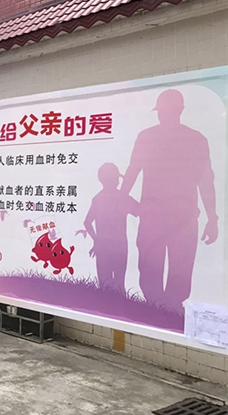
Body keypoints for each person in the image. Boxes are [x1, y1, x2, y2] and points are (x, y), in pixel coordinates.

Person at [121, 89, 218, 314]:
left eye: (165, 111)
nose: (162, 115)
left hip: (172, 217)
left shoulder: (188, 139)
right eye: (161, 112)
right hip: (168, 216)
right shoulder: (192, 139)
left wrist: (213, 218)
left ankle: (166, 312)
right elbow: (133, 171)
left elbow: (205, 181)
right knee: (160, 270)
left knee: (171, 271)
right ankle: (162, 312)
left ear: (178, 110)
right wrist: (125, 201)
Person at [83, 163, 139, 293]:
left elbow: (87, 223)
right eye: (116, 178)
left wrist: (96, 240)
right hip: (119, 246)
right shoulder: (123, 197)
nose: (118, 181)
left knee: (105, 284)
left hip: (104, 247)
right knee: (119, 283)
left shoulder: (98, 199)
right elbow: (140, 210)